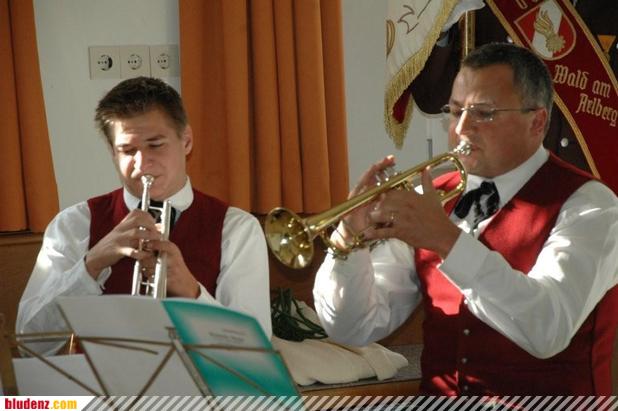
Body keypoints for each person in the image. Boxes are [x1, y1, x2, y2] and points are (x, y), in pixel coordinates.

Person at [313, 43, 618, 395]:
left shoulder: (591, 205)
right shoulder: (432, 198)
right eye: (455, 111)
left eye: (483, 113)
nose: (461, 129)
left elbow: (548, 329)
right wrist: (348, 241)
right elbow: (355, 327)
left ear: (537, 122)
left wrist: (447, 241)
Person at [17, 77, 272, 355]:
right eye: (128, 150)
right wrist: (90, 265)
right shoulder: (74, 224)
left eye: (156, 144)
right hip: (97, 383)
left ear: (186, 141)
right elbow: (31, 342)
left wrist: (191, 291)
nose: (142, 163)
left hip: (194, 384)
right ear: (112, 153)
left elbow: (254, 353)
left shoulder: (237, 228)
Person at [410, 0, 617, 173]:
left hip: (596, 180)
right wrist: (441, 25)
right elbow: (432, 99)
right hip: (506, 180)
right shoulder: (492, 7)